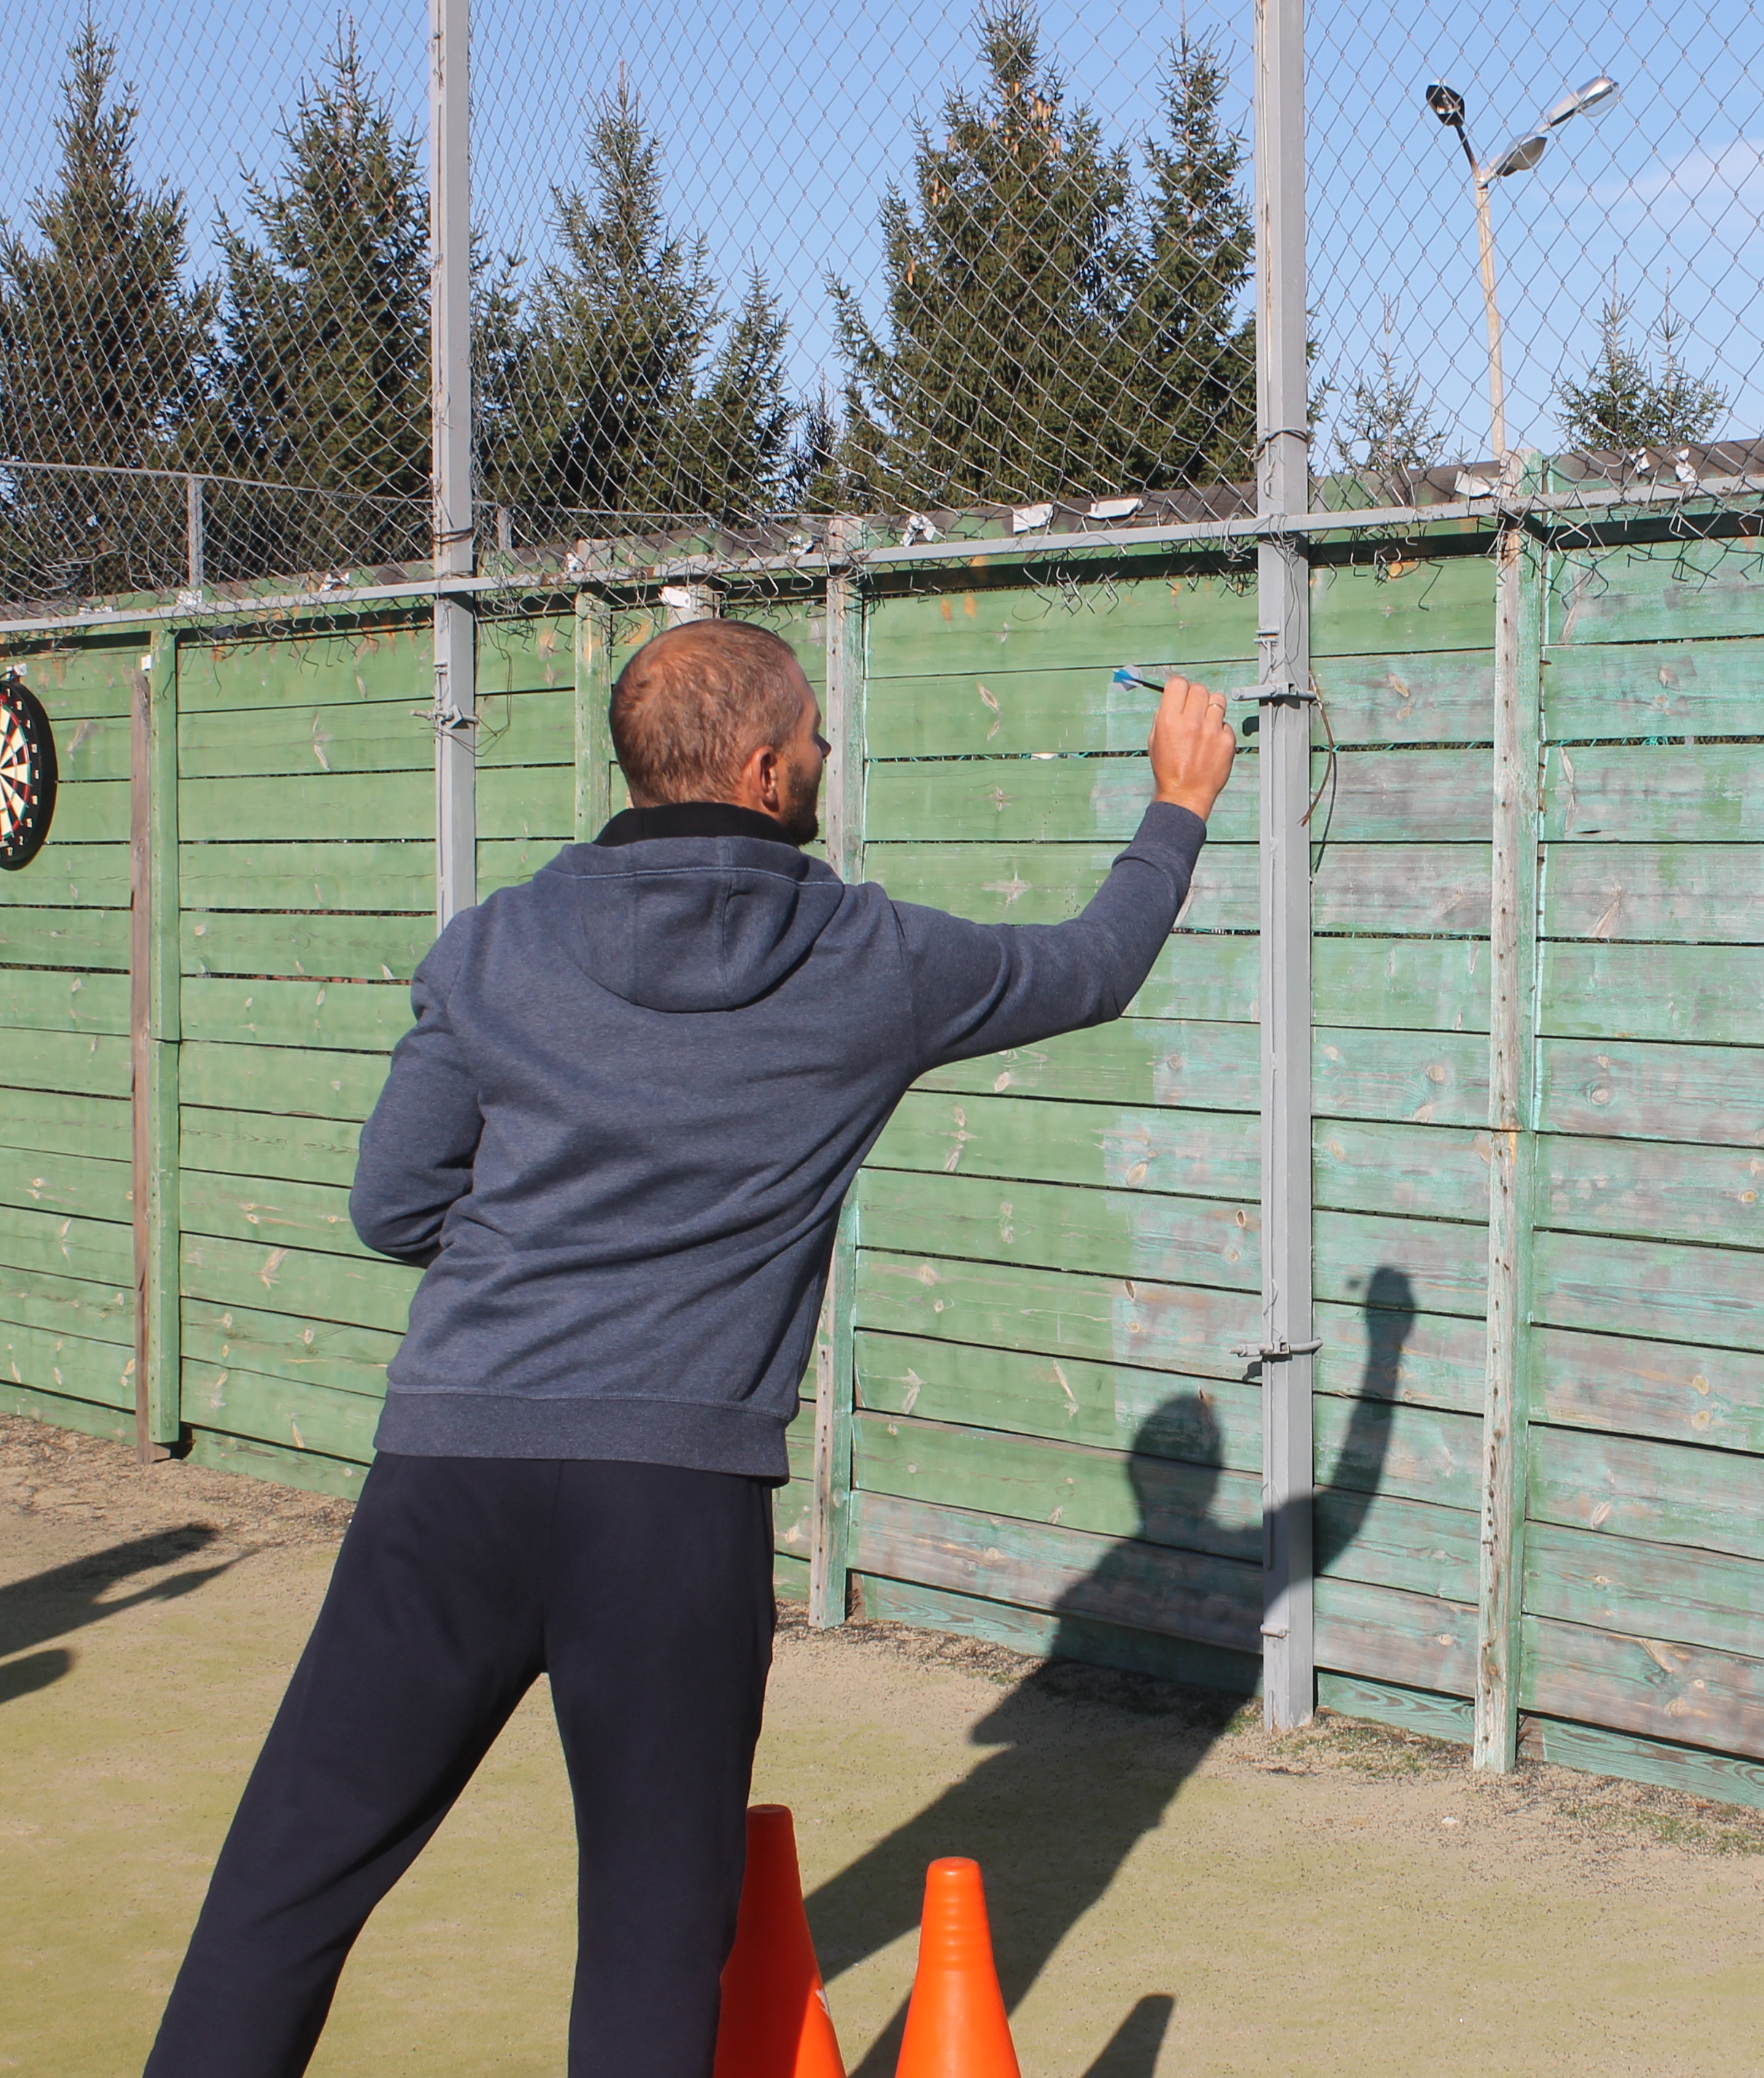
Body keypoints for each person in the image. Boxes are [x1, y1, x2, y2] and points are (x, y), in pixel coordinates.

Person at [142, 618, 1237, 2077]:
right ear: (770, 768)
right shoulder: (875, 957)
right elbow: (1093, 965)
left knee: (285, 1886)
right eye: (820, 744)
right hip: (672, 1507)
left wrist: (537, 1272)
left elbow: (392, 1202)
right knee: (657, 1947)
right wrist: (1179, 802)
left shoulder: (495, 943)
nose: (828, 763)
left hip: (453, 1472)